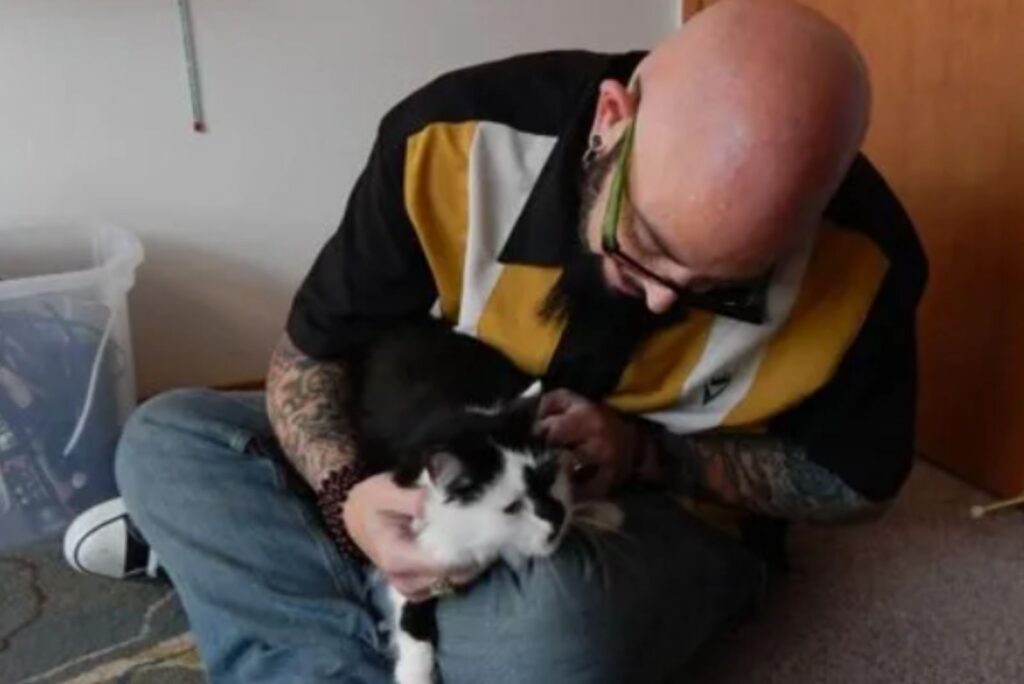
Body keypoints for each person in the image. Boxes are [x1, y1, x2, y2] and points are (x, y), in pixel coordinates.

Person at [64, 1, 927, 682]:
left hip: (645, 525)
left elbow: (856, 487)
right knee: (170, 441)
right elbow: (309, 357)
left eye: (719, 286)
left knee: (551, 636)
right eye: (647, 244)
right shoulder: (453, 137)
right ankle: (358, 583)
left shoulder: (865, 265)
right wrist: (346, 498)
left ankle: (275, 592)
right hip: (433, 452)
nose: (664, 298)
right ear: (612, 122)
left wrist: (650, 456)